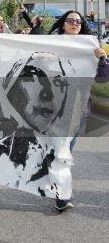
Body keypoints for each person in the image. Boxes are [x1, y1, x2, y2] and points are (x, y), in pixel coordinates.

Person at [48, 11, 107, 211]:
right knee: (61, 152)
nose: (75, 23)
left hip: (79, 108)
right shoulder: (49, 44)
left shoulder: (89, 46)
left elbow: (102, 79)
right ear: (63, 24)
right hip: (54, 108)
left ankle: (56, 186)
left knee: (66, 151)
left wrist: (102, 59)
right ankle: (61, 195)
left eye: (78, 21)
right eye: (71, 20)